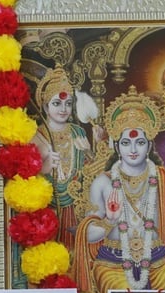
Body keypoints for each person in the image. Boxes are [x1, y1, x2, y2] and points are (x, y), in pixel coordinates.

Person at [76, 86, 165, 293]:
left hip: (158, 261)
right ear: (117, 147)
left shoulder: (164, 179)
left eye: (140, 142)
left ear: (149, 145)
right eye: (126, 143)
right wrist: (110, 220)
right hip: (113, 263)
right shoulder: (103, 182)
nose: (134, 149)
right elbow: (89, 236)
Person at [30, 65, 95, 249]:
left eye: (68, 103)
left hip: (76, 204)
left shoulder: (77, 132)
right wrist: (45, 168)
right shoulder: (37, 135)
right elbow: (25, 179)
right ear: (45, 105)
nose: (63, 109)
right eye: (57, 103)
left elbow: (89, 170)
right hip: (49, 206)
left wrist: (89, 153)